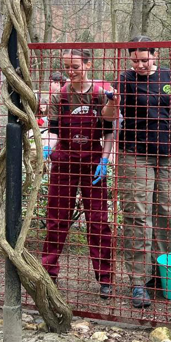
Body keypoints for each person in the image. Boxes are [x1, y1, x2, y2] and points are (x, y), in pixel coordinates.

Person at [103, 35, 171, 308]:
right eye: (135, 60)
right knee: (138, 214)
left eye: (145, 59)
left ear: (155, 55)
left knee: (165, 211)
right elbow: (108, 116)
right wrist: (113, 101)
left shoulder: (170, 77)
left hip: (169, 153)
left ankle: (161, 271)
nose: (140, 65)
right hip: (135, 153)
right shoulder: (124, 80)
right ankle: (138, 281)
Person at [43, 50, 115, 298]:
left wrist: (104, 159)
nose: (70, 72)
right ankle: (48, 273)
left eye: (75, 66)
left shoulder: (99, 95)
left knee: (98, 221)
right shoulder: (59, 96)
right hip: (64, 162)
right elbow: (53, 132)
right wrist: (46, 149)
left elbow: (108, 131)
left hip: (93, 163)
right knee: (56, 219)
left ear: (88, 64)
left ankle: (105, 278)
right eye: (67, 67)